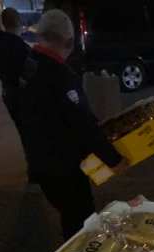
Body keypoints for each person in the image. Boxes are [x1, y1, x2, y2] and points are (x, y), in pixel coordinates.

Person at [17, 9, 124, 240]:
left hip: (41, 164)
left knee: (69, 217)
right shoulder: (59, 75)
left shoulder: (28, 66)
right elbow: (83, 124)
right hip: (63, 168)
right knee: (82, 222)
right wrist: (114, 158)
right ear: (68, 41)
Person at [0, 7, 30, 128]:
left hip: (7, 93)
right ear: (18, 22)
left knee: (21, 127)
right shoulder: (21, 47)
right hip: (22, 95)